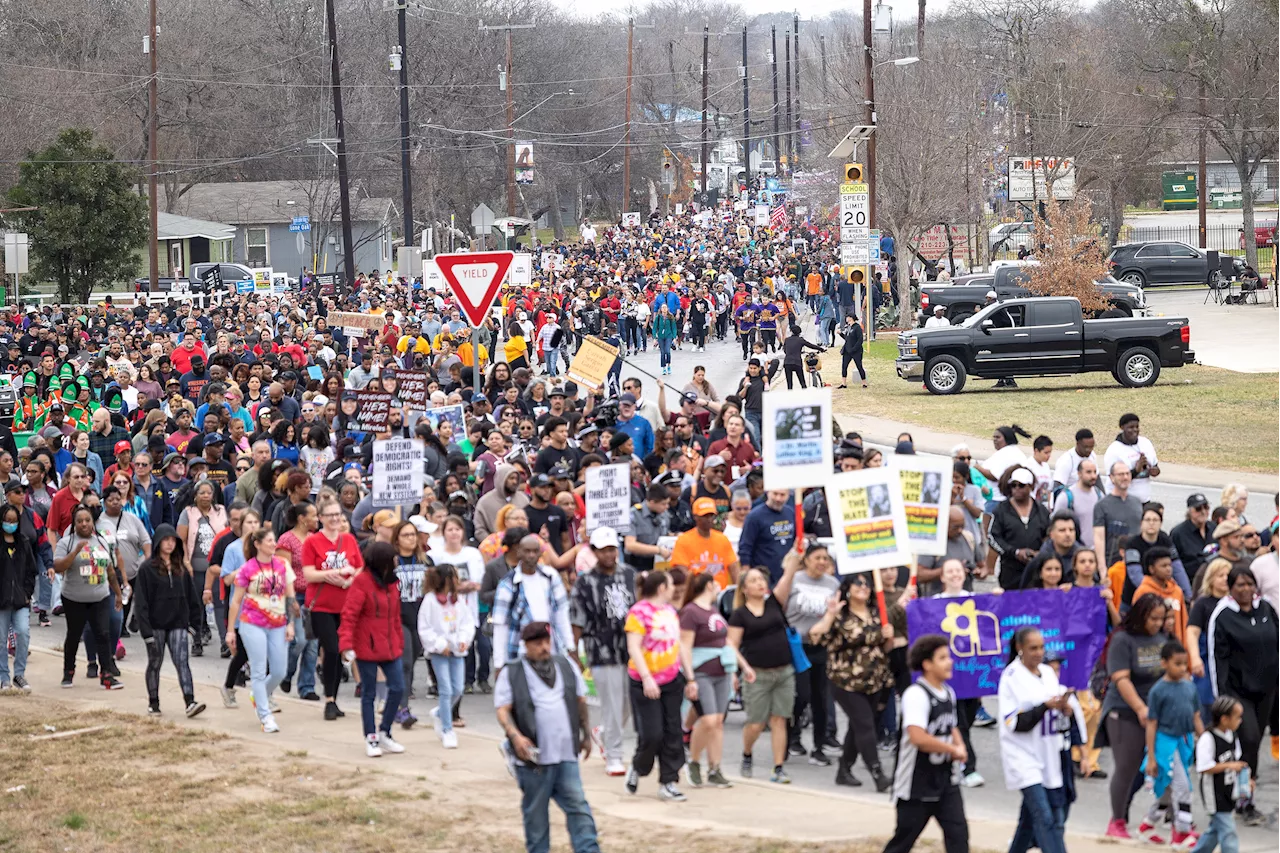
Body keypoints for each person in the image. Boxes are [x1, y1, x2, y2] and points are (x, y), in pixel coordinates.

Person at [494, 620, 600, 853]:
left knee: (579, 808)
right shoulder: (512, 672)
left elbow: (580, 700)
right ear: (526, 645)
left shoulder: (566, 665)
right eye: (538, 643)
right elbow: (503, 709)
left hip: (565, 753)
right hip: (534, 759)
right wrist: (515, 737)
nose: (544, 647)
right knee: (536, 816)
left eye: (547, 642)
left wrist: (585, 734)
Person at [808, 571, 896, 791]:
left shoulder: (877, 613)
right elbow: (815, 635)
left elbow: (885, 648)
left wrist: (889, 636)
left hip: (875, 680)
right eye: (857, 583)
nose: (863, 587)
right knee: (865, 723)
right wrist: (829, 615)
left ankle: (844, 769)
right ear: (847, 588)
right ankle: (878, 774)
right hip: (845, 681)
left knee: (858, 727)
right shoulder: (840, 615)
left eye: (866, 584)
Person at [881, 635, 969, 853]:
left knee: (958, 835)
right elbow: (918, 738)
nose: (950, 662)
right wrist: (951, 749)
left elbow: (951, 725)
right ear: (927, 664)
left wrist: (961, 746)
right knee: (904, 839)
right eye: (942, 658)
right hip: (916, 784)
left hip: (945, 780)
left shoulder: (948, 692)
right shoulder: (916, 695)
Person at [1206, 567, 1280, 825]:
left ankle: (1245, 796)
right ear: (1230, 587)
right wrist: (1222, 701)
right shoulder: (1223, 615)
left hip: (1267, 690)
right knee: (1247, 739)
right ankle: (1239, 799)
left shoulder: (1266, 608)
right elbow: (1218, 660)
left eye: (1250, 584)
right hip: (1238, 693)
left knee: (1254, 743)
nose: (1246, 589)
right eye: (1239, 585)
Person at [998, 626, 1079, 853]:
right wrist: (1045, 706)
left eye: (1042, 647)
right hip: (1022, 756)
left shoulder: (1048, 673)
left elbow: (1057, 713)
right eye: (1033, 648)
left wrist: (1064, 708)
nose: (1039, 652)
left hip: (1048, 754)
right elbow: (1015, 723)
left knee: (1029, 820)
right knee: (1046, 817)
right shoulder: (1011, 677)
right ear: (1019, 648)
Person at [568, 527, 636, 776]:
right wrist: (574, 653)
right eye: (604, 550)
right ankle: (614, 754)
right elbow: (577, 619)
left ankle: (606, 733)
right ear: (594, 551)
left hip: (629, 648)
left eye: (612, 549)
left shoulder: (629, 575)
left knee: (629, 700)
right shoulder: (585, 582)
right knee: (611, 702)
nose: (609, 554)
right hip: (600, 648)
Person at [1102, 593, 1171, 839]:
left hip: (1158, 711)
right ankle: (1117, 820)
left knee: (1157, 766)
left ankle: (1163, 819)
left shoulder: (1163, 637)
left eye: (1161, 619)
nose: (1157, 623)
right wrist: (1141, 708)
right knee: (1127, 766)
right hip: (1125, 710)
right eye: (1153, 618)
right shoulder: (1123, 639)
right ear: (1141, 616)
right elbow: (1121, 679)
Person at [623, 569, 692, 801]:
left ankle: (669, 781)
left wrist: (690, 677)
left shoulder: (671, 611)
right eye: (671, 584)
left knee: (673, 732)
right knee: (652, 733)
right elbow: (634, 647)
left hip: (672, 680)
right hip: (645, 681)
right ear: (662, 587)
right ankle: (638, 766)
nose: (674, 589)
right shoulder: (638, 612)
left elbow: (679, 644)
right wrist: (646, 677)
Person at [337, 540, 406, 757]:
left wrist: (399, 640)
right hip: (366, 646)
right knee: (369, 693)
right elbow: (349, 615)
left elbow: (395, 615)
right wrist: (346, 645)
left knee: (398, 687)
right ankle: (371, 737)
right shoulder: (362, 582)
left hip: (390, 645)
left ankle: (385, 731)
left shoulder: (393, 583)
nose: (396, 562)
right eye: (392, 558)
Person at [226, 528, 296, 733]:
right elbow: (236, 601)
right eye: (269, 541)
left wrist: (290, 623)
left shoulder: (283, 565)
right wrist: (231, 630)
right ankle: (265, 716)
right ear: (257, 544)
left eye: (274, 540)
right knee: (257, 670)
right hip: (252, 623)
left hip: (278, 623)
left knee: (279, 671)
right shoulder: (247, 568)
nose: (274, 544)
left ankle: (259, 694)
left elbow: (290, 597)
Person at [132, 524, 205, 717]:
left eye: (173, 540)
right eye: (166, 540)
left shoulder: (181, 567)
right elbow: (141, 602)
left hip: (178, 624)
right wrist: (146, 632)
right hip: (155, 626)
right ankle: (153, 702)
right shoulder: (147, 569)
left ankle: (190, 701)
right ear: (158, 542)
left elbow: (192, 600)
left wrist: (193, 627)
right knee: (155, 663)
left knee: (182, 661)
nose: (170, 544)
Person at [302, 495, 365, 721]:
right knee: (331, 647)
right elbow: (308, 573)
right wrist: (328, 575)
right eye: (330, 516)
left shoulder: (348, 540)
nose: (335, 519)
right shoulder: (312, 542)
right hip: (322, 605)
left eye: (338, 515)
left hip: (346, 604)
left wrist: (349, 579)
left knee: (339, 653)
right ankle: (328, 699)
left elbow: (359, 568)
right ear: (320, 518)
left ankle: (334, 698)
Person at [780, 544, 840, 765]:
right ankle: (790, 739)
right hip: (796, 647)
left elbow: (835, 615)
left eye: (826, 558)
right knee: (800, 695)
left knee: (821, 699)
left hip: (821, 647)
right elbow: (781, 608)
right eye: (817, 558)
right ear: (806, 560)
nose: (822, 562)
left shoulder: (833, 584)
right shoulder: (795, 580)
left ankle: (819, 745)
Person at [53, 505, 124, 689]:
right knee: (74, 635)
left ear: (93, 522)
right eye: (80, 521)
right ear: (74, 524)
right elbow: (59, 566)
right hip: (74, 598)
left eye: (87, 520)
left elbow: (109, 570)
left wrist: (117, 593)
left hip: (99, 597)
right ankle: (68, 672)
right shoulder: (66, 543)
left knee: (103, 633)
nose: (84, 524)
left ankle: (106, 675)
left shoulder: (101, 541)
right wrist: (75, 552)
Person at [1141, 640, 1202, 847]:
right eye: (1177, 664)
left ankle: (1148, 825)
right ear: (1164, 663)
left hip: (1184, 742)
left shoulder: (1189, 687)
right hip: (1165, 744)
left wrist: (1204, 739)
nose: (1182, 668)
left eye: (1185, 663)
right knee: (1183, 787)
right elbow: (1151, 724)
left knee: (1167, 790)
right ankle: (1182, 833)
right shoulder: (1158, 691)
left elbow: (1196, 716)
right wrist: (1151, 756)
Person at [678, 571, 734, 789]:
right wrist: (689, 677)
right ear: (709, 585)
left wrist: (736, 670)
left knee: (718, 721)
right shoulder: (691, 612)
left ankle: (715, 767)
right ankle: (693, 761)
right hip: (702, 671)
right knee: (708, 719)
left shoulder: (714, 610)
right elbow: (685, 645)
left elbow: (725, 641)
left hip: (721, 671)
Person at [492, 534, 574, 669]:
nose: (531, 555)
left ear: (540, 553)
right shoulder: (508, 584)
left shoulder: (551, 577)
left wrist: (570, 647)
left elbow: (561, 615)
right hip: (520, 652)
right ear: (519, 552)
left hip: (551, 649)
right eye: (527, 551)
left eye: (535, 551)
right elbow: (501, 625)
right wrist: (499, 664)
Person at [417, 560, 474, 750]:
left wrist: (464, 639)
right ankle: (447, 729)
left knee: (458, 689)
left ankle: (441, 712)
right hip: (439, 652)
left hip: (457, 650)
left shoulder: (458, 601)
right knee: (446, 689)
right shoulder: (430, 601)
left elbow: (467, 622)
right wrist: (440, 645)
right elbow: (424, 628)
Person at [1192, 696, 1246, 853]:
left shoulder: (1232, 737)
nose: (1240, 721)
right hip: (1214, 793)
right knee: (1228, 832)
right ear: (1224, 719)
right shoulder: (1208, 739)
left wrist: (1245, 779)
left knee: (1215, 832)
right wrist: (1229, 765)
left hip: (1228, 790)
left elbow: (1237, 760)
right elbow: (1203, 767)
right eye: (1237, 717)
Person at [0, 503, 38, 691]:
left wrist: (27, 594)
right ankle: (3, 677)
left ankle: (19, 675)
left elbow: (31, 571)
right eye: (7, 521)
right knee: (0, 639)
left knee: (23, 633)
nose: (10, 524)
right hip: (1, 602)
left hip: (20, 600)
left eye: (14, 521)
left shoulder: (23, 542)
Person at [1092, 462, 1144, 568]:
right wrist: (1102, 569)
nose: (1125, 477)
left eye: (1127, 474)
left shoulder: (1137, 502)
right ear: (1112, 477)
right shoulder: (1101, 505)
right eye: (1120, 474)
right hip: (1112, 563)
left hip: (1136, 562)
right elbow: (1099, 539)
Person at [1102, 413, 1160, 503]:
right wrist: (1136, 470)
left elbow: (1155, 465)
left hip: (1144, 501)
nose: (1135, 430)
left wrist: (1155, 471)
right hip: (1121, 502)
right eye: (1131, 427)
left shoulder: (1145, 443)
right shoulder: (1114, 450)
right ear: (1122, 427)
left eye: (1137, 427)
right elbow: (1114, 480)